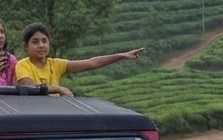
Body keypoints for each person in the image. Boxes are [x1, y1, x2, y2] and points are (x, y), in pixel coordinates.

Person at [13, 23, 143, 96]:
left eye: (44, 41)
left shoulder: (55, 64)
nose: (41, 45)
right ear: (26, 46)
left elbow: (92, 62)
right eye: (35, 42)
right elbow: (30, 88)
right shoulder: (23, 65)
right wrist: (58, 89)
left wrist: (121, 56)